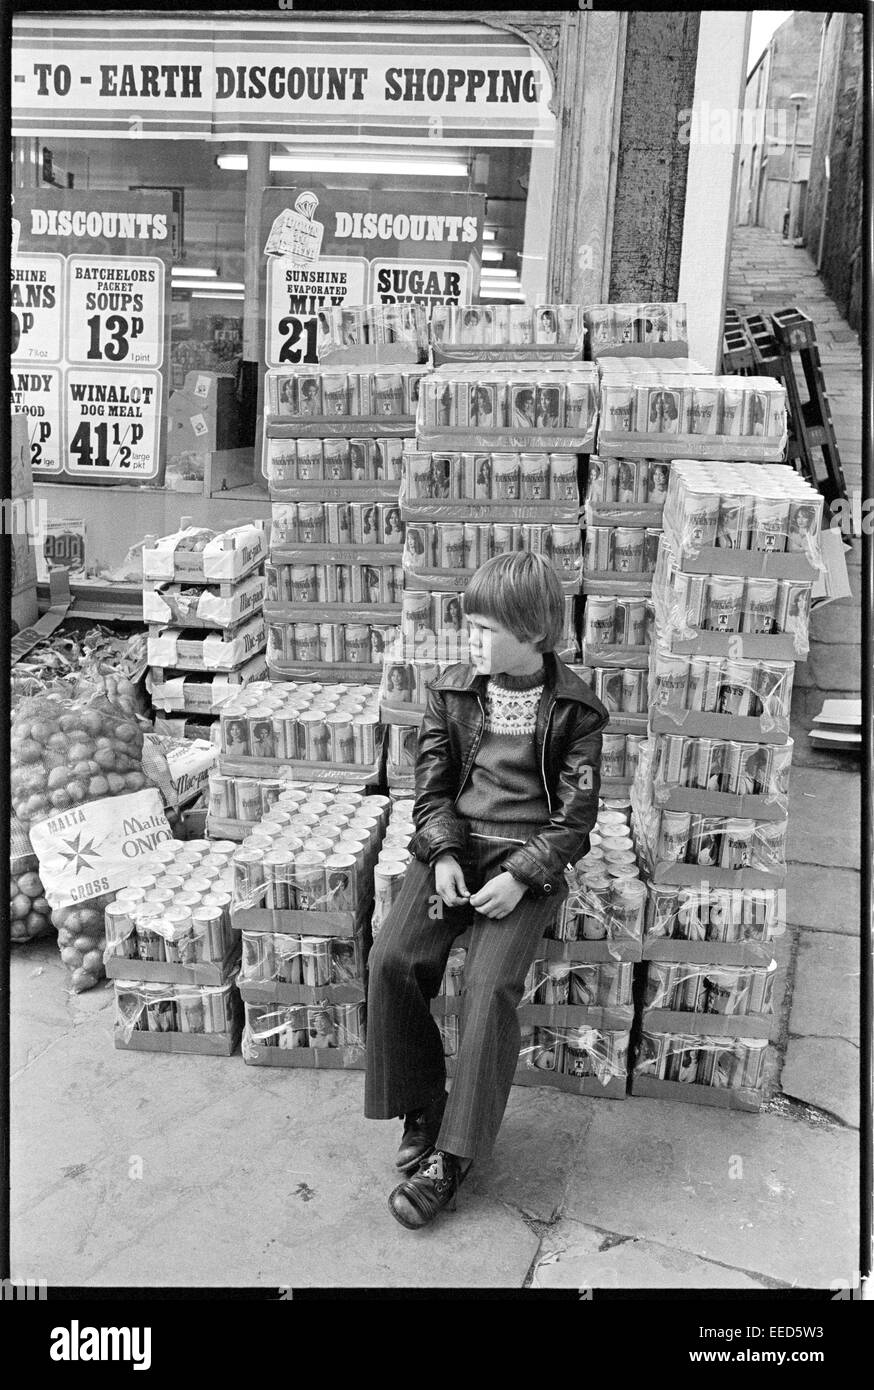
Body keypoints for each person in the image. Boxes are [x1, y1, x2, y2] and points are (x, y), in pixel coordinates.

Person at [365, 552, 608, 1229]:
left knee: (489, 984)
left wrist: (523, 875)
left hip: (525, 863)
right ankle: (423, 1100)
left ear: (533, 633)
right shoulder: (452, 691)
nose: (472, 642)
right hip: (457, 851)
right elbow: (431, 790)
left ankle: (454, 1153)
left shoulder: (578, 712)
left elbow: (574, 821)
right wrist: (442, 852)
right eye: (469, 628)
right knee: (393, 959)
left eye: (485, 630)